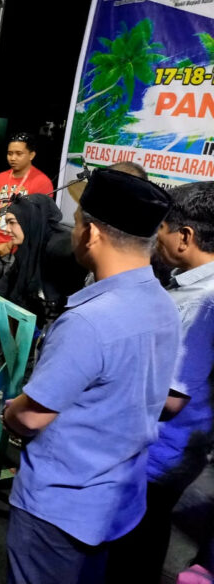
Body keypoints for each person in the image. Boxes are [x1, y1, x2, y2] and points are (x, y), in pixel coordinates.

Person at [1, 167, 180, 584]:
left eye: (78, 221)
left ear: (92, 234)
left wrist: (9, 412)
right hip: (119, 501)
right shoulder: (164, 304)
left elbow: (30, 417)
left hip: (61, 508)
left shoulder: (88, 322)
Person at [106, 181, 214, 583]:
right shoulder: (191, 286)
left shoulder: (201, 302)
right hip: (183, 443)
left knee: (138, 535)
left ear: (185, 237)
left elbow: (171, 400)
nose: (156, 239)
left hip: (166, 447)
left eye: (163, 229)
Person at [0, 193, 86, 340]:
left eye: (12, 222)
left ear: (30, 220)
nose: (6, 229)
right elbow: (9, 279)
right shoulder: (29, 246)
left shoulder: (62, 248)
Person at [0, 132, 53, 290]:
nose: (12, 158)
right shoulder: (0, 178)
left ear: (31, 155)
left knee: (8, 297)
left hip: (19, 252)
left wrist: (10, 243)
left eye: (19, 154)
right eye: (10, 153)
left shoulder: (42, 182)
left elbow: (37, 223)